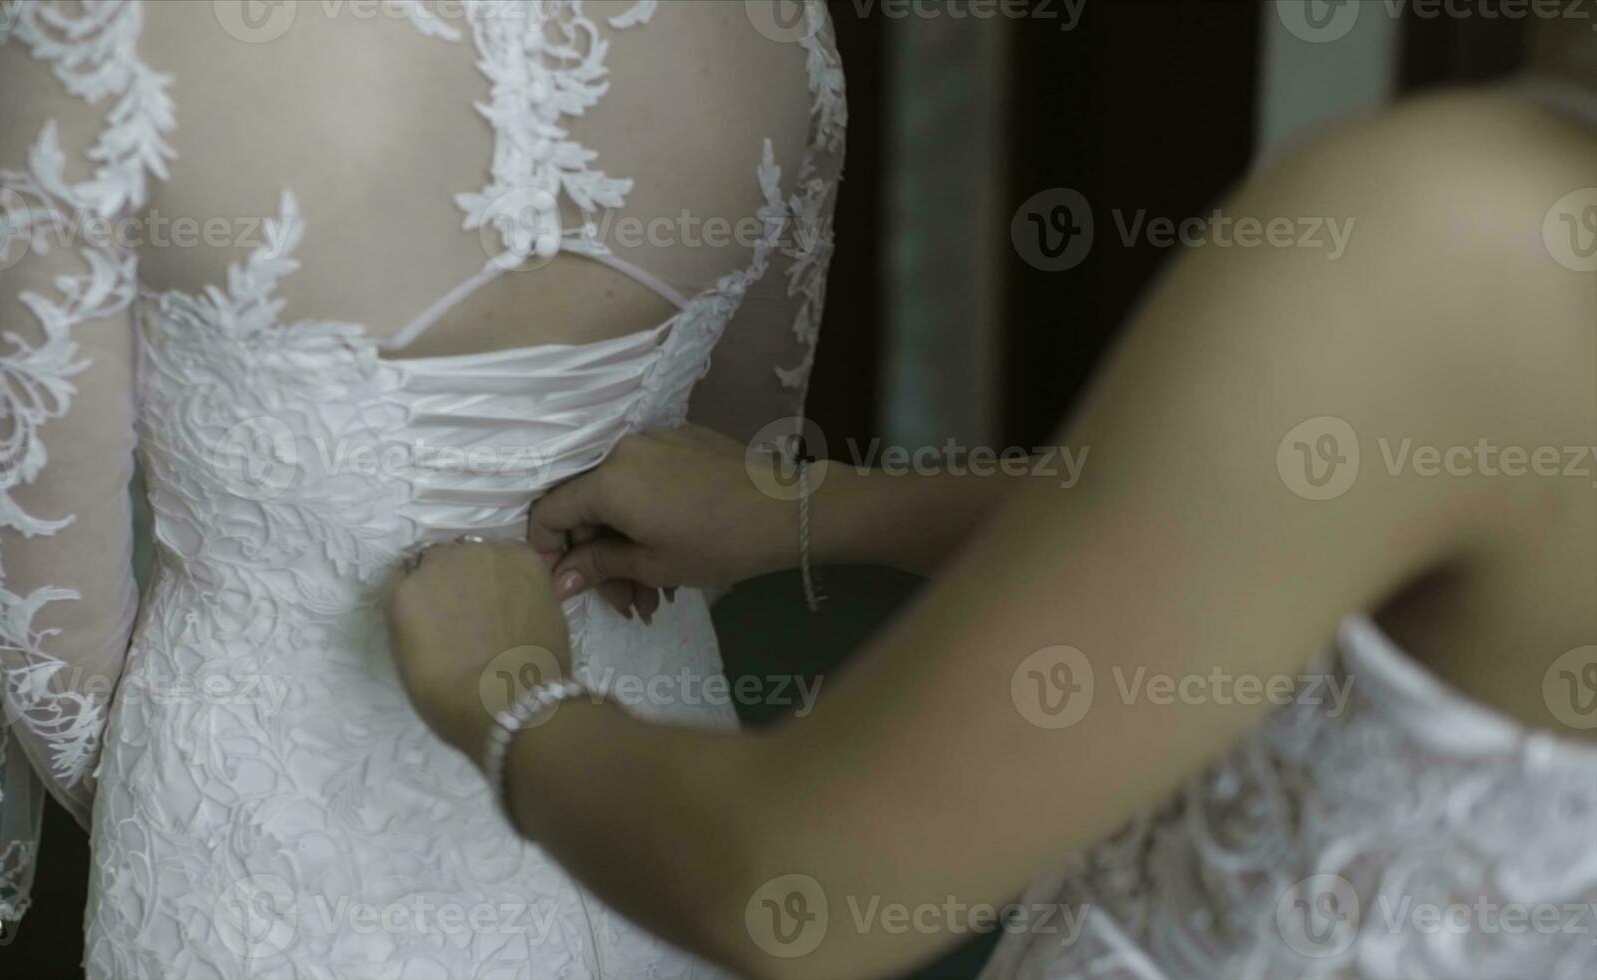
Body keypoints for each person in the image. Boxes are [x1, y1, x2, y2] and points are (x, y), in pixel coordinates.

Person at [388, 78, 1597, 979]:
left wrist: (505, 697)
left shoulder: (1461, 235)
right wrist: (816, 510)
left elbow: (789, 886)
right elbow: (1286, 525)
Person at [0, 2, 843, 977]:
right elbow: (726, 490)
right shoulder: (777, 25)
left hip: (253, 839)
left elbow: (45, 630)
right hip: (644, 794)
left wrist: (195, 787)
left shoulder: (91, 35)